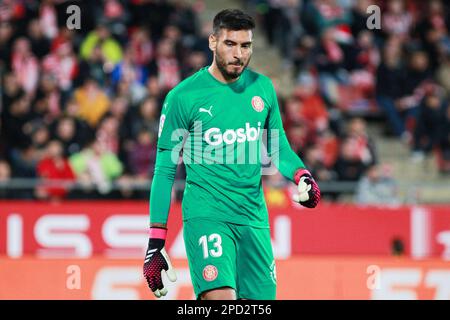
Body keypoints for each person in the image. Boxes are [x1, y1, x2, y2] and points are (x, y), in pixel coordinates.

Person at [143, 9, 321, 300]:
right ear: (213, 42)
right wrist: (155, 242)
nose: (239, 53)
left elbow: (278, 147)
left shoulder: (262, 88)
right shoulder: (183, 97)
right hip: (207, 215)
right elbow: (164, 170)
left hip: (253, 218)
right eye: (230, 44)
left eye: (245, 45)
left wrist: (302, 175)